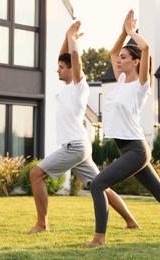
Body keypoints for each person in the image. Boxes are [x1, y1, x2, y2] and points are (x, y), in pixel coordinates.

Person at [86, 10, 160, 246]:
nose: (119, 60)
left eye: (125, 57)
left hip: (136, 150)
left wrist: (131, 33)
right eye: (121, 58)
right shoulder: (122, 81)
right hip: (128, 150)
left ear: (136, 62)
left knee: (98, 184)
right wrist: (123, 31)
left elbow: (146, 49)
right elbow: (112, 52)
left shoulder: (140, 85)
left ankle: (99, 238)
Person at [28, 21, 140, 233]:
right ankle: (131, 221)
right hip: (79, 145)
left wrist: (73, 41)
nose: (57, 70)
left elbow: (75, 59)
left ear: (71, 69)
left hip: (75, 146)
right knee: (100, 185)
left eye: (61, 68)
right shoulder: (67, 86)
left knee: (36, 174)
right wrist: (66, 36)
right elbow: (66, 57)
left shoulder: (79, 86)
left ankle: (42, 224)